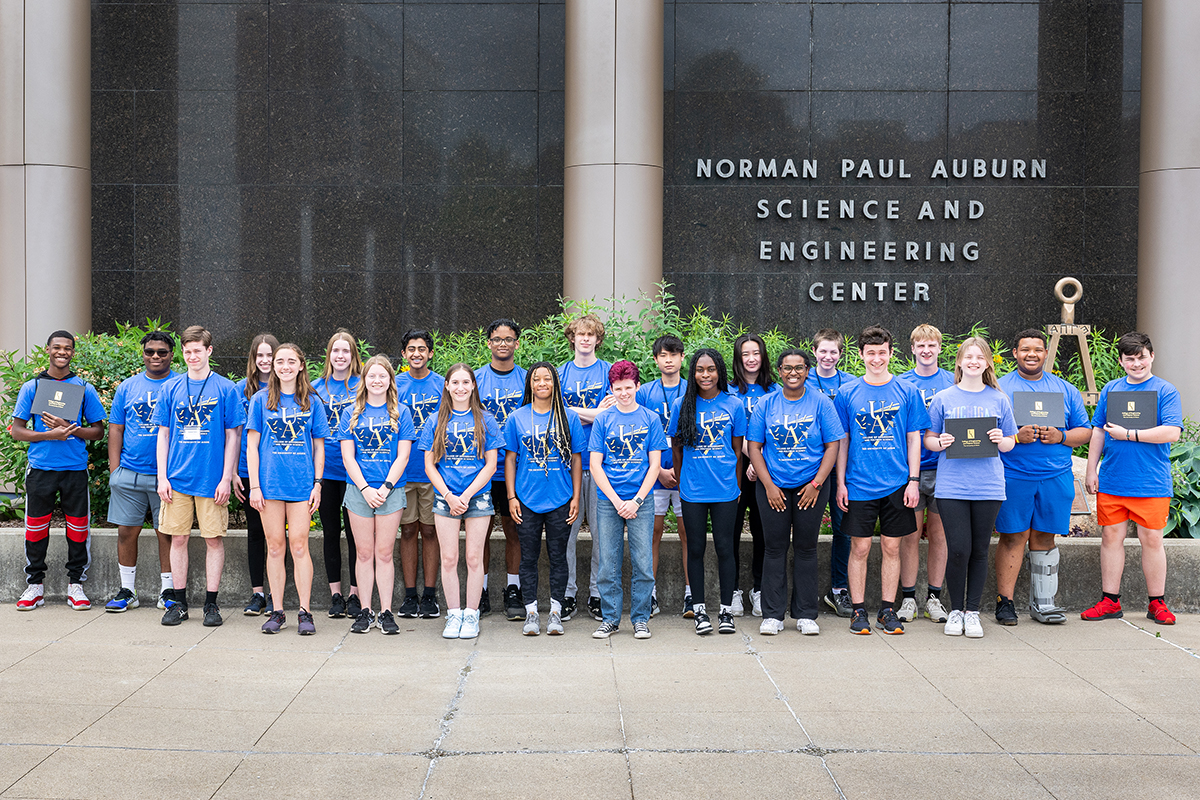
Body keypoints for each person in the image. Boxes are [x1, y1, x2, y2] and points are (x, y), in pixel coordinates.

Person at [835, 325, 929, 635]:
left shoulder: (907, 391)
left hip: (897, 483)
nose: (877, 359)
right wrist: (841, 483)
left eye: (882, 353)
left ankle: (887, 610)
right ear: (861, 355)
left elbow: (914, 438)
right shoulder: (847, 393)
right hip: (860, 483)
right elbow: (842, 441)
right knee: (859, 548)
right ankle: (859, 610)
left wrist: (913, 480)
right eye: (871, 353)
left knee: (892, 547)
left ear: (891, 353)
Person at [1083, 332, 1182, 625]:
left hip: (1150, 480)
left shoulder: (1165, 390)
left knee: (1151, 539)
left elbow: (1172, 432)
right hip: (1113, 478)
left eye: (1141, 356)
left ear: (1151, 356)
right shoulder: (1112, 389)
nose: (1136, 363)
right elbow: (1098, 430)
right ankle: (1110, 601)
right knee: (1111, 538)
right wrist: (1092, 470)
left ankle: (1157, 604)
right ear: (1121, 361)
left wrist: (1129, 434)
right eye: (1130, 358)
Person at [995, 329, 1092, 625]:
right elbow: (990, 431)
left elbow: (1085, 432)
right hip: (1014, 475)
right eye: (1025, 349)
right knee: (1013, 536)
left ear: (1045, 354)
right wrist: (1016, 435)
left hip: (1054, 476)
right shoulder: (1000, 388)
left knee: (1045, 537)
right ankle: (1005, 603)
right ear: (1015, 353)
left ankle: (1044, 603)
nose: (1032, 354)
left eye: (1037, 349)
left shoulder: (1065, 389)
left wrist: (1060, 435)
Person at [924, 337, 1018, 638]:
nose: (974, 361)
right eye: (969, 357)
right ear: (960, 362)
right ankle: (954, 610)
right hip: (952, 486)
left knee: (979, 550)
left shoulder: (999, 399)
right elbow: (929, 438)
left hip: (988, 486)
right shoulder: (944, 398)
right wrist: (939, 443)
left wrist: (999, 439)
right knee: (958, 549)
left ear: (988, 362)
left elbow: (1010, 442)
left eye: (980, 357)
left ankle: (972, 612)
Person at [747, 349, 844, 635]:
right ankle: (773, 615)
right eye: (787, 368)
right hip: (773, 486)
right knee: (774, 548)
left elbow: (832, 445)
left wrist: (816, 484)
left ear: (807, 371)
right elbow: (754, 447)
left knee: (806, 548)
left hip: (810, 487)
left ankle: (805, 614)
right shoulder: (766, 404)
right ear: (778, 371)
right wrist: (768, 485)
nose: (793, 373)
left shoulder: (821, 403)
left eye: (799, 368)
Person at [153, 326, 244, 627]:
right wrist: (162, 476)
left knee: (213, 540)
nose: (192, 356)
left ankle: (211, 604)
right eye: (187, 351)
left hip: (211, 478)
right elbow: (163, 435)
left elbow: (233, 437)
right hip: (177, 478)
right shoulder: (171, 388)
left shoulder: (226, 389)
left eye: (198, 350)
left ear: (209, 351)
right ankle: (178, 603)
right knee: (177, 538)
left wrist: (226, 478)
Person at [12, 331, 107, 611]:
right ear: (48, 350)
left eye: (67, 348)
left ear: (73, 353)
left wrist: (71, 427)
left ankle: (76, 585)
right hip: (41, 468)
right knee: (35, 529)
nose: (62, 352)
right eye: (57, 347)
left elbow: (99, 431)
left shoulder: (84, 388)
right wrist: (50, 435)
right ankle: (34, 586)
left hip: (75, 469)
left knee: (78, 530)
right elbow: (17, 431)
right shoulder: (32, 387)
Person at [248, 343, 330, 635]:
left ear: (300, 366)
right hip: (269, 486)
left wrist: (318, 484)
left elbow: (320, 447)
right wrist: (255, 485)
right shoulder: (260, 400)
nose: (284, 366)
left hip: (300, 484)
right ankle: (278, 611)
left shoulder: (312, 402)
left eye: (290, 361)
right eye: (279, 361)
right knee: (274, 546)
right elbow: (252, 447)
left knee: (298, 545)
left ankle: (305, 612)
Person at [419, 364, 504, 640]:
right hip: (446, 497)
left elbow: (491, 465)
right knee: (449, 557)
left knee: (473, 557)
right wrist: (449, 495)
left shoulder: (485, 420)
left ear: (473, 386)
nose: (460, 387)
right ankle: (453, 613)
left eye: (465, 382)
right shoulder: (436, 420)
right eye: (455, 382)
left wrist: (466, 496)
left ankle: (471, 613)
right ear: (446, 386)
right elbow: (429, 465)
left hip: (476, 498)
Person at [669, 349, 747, 635]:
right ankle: (700, 610)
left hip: (725, 489)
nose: (705, 375)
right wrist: (682, 480)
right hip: (693, 490)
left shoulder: (734, 405)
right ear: (693, 373)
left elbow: (738, 451)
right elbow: (676, 449)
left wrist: (736, 486)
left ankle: (726, 611)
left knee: (726, 548)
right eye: (700, 370)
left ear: (719, 372)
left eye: (711, 369)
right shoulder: (682, 404)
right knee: (697, 548)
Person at [339, 355, 417, 635]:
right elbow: (348, 457)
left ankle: (385, 611)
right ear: (363, 380)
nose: (376, 381)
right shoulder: (351, 412)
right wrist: (365, 489)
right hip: (359, 490)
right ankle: (365, 610)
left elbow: (403, 455)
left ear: (390, 381)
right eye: (371, 376)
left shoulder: (401, 412)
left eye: (382, 376)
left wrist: (384, 488)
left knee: (384, 553)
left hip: (390, 490)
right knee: (363, 553)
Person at [589, 361, 668, 640]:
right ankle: (610, 618)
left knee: (643, 562)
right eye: (618, 388)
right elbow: (596, 465)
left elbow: (655, 464)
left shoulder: (650, 418)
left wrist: (635, 500)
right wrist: (616, 499)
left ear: (637, 386)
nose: (624, 393)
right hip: (608, 499)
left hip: (641, 500)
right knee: (608, 562)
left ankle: (640, 619)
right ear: (611, 389)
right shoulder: (603, 419)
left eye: (628, 388)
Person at [506, 363, 586, 636]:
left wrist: (576, 496)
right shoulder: (517, 417)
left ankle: (555, 612)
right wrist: (511, 496)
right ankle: (530, 613)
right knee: (528, 557)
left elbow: (576, 458)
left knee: (558, 557)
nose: (542, 383)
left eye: (547, 378)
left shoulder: (568, 417)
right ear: (529, 384)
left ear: (555, 383)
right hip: (526, 498)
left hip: (561, 497)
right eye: (536, 379)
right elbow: (510, 459)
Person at [104, 331, 178, 612]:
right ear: (143, 354)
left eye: (162, 352)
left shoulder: (181, 385)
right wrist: (115, 471)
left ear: (172, 354)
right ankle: (127, 591)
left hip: (168, 475)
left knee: (167, 533)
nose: (155, 356)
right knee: (126, 532)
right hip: (130, 472)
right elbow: (116, 428)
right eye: (150, 352)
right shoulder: (127, 387)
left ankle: (168, 591)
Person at [896, 324, 955, 624]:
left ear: (940, 348)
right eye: (921, 345)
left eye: (932, 345)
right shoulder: (902, 384)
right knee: (910, 535)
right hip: (912, 472)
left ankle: (934, 597)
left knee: (939, 537)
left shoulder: (951, 381)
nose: (926, 350)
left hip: (946, 468)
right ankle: (908, 599)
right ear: (913, 349)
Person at [558, 314, 615, 621]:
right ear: (572, 338)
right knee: (567, 530)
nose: (585, 339)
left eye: (590, 334)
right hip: (567, 462)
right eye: (580, 334)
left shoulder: (608, 371)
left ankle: (597, 592)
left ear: (597, 339)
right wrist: (594, 412)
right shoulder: (560, 372)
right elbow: (556, 410)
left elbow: (614, 412)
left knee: (601, 532)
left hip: (601, 462)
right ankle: (568, 593)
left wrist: (575, 413)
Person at [475, 319, 528, 621]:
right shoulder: (477, 378)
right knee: (480, 533)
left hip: (517, 469)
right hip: (482, 469)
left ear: (517, 343)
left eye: (509, 339)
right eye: (497, 339)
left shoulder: (526, 379)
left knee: (513, 531)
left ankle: (513, 589)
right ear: (489, 343)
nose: (503, 344)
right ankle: (480, 591)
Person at [635, 335, 691, 617]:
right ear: (655, 360)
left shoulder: (692, 389)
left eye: (674, 354)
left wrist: (678, 471)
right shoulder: (645, 392)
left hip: (685, 475)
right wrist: (659, 470)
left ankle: (691, 595)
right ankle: (650, 594)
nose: (669, 360)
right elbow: (639, 434)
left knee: (686, 533)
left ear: (683, 358)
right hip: (654, 474)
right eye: (663, 355)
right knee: (652, 533)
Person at [312, 330, 363, 619]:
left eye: (346, 351)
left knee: (357, 535)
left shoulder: (362, 386)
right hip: (327, 471)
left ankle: (355, 595)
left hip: (355, 472)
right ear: (329, 355)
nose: (340, 356)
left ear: (353, 355)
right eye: (335, 351)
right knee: (331, 532)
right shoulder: (316, 387)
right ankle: (335, 594)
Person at [806, 328, 855, 618]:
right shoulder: (802, 378)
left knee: (844, 531)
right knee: (806, 532)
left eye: (833, 351)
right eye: (823, 351)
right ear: (814, 352)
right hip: (811, 468)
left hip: (841, 469)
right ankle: (804, 591)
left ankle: (839, 590)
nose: (828, 356)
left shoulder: (850, 384)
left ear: (840, 353)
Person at [395, 330, 444, 619]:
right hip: (402, 472)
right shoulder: (395, 385)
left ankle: (430, 594)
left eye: (422, 348)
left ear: (431, 353)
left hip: (432, 473)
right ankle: (410, 595)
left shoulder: (440, 385)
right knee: (409, 530)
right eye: (411, 348)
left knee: (429, 530)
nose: (417, 353)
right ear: (403, 354)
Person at [729, 333, 777, 618]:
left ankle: (758, 589)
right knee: (731, 532)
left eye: (756, 353)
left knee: (763, 533)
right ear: (738, 357)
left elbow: (780, 432)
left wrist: (759, 464)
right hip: (734, 471)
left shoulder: (775, 390)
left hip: (765, 473)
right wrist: (749, 458)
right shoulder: (729, 391)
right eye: (746, 353)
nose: (751, 359)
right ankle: (733, 590)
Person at [232, 333, 278, 616]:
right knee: (255, 533)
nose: (265, 361)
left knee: (277, 536)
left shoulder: (287, 389)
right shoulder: (242, 390)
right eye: (259, 355)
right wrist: (235, 472)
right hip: (249, 472)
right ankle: (257, 593)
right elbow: (235, 433)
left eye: (269, 355)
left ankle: (276, 592)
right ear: (253, 358)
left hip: (276, 472)